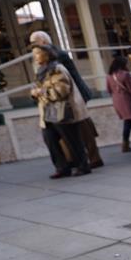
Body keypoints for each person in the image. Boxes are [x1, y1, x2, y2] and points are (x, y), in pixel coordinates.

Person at [29, 31, 103, 169]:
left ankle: (93, 159)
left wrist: (42, 91)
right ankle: (75, 160)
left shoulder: (56, 56)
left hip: (74, 96)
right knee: (68, 130)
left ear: (44, 42)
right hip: (62, 99)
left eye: (35, 42)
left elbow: (62, 82)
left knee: (83, 128)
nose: (33, 47)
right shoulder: (43, 60)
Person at [30, 45, 91, 178]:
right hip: (47, 112)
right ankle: (62, 167)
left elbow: (62, 91)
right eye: (34, 54)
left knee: (72, 140)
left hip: (62, 111)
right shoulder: (40, 71)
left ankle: (83, 165)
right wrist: (35, 93)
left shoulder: (57, 69)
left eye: (37, 53)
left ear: (47, 54)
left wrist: (41, 92)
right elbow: (37, 88)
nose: (35, 56)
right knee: (50, 139)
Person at [106, 56, 131, 152]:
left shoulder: (109, 76)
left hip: (117, 101)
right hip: (127, 100)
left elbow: (108, 90)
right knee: (129, 121)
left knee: (130, 121)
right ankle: (127, 144)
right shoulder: (125, 74)